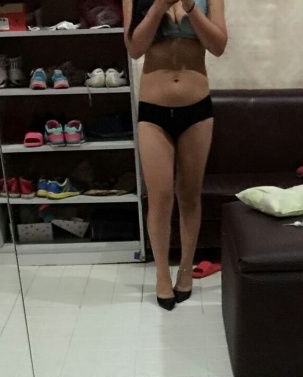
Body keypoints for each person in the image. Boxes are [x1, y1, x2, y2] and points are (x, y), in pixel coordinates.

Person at [123, 0, 227, 309]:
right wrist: (157, 8)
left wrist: (192, 8)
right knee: (160, 197)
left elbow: (218, 46)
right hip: (153, 110)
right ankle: (161, 274)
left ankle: (184, 269)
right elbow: (134, 49)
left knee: (190, 196)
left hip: (197, 108)